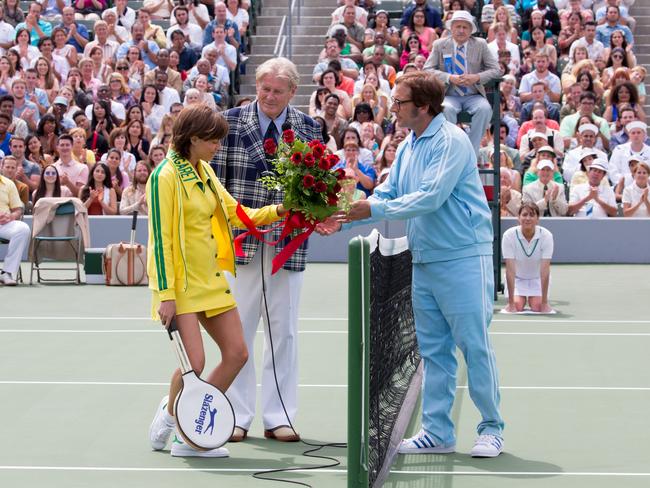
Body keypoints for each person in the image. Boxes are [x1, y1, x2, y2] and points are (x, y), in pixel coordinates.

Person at [318, 71, 504, 457]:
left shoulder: (451, 142)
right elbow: (389, 192)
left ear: (423, 106)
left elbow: (429, 197)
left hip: (464, 256)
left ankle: (491, 428)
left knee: (474, 346)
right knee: (433, 351)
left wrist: (370, 207)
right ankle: (437, 432)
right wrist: (344, 215)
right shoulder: (407, 145)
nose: (394, 108)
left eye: (400, 102)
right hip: (424, 258)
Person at [146, 104, 288, 457]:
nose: (218, 146)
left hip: (211, 282)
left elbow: (236, 213)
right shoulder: (164, 177)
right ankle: (189, 437)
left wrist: (283, 210)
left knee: (237, 353)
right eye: (213, 140)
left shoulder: (205, 171)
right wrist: (166, 295)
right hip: (178, 287)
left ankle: (173, 412)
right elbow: (160, 240)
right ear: (193, 138)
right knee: (194, 364)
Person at [210, 57, 322, 444]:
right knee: (238, 332)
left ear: (293, 92)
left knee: (284, 331)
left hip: (289, 244)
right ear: (256, 86)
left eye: (277, 90)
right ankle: (238, 416)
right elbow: (215, 186)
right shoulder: (228, 122)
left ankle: (279, 417)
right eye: (264, 88)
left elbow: (318, 188)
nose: (269, 97)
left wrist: (318, 215)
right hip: (240, 243)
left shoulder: (310, 127)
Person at [424, 10, 501, 155]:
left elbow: (496, 70)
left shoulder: (480, 44)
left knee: (485, 109)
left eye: (465, 27)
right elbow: (427, 70)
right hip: (449, 94)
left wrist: (476, 77)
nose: (461, 30)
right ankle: (451, 149)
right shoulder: (439, 45)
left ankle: (470, 152)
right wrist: (449, 77)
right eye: (458, 26)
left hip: (473, 94)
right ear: (451, 28)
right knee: (446, 109)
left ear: (471, 30)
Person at [502, 202, 554, 313]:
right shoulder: (508, 235)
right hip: (517, 279)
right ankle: (514, 300)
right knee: (517, 306)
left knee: (538, 307)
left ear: (537, 219)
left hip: (537, 279)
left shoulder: (547, 236)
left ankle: (540, 301)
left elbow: (545, 270)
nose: (528, 218)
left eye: (532, 215)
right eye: (524, 215)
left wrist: (544, 303)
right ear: (518, 218)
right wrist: (511, 303)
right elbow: (510, 270)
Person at [0, 161, 30, 285]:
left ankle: (7, 272)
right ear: (3, 167)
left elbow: (18, 209)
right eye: (8, 167)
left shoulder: (9, 184)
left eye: (13, 167)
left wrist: (11, 216)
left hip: (4, 224)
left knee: (23, 228)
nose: (10, 169)